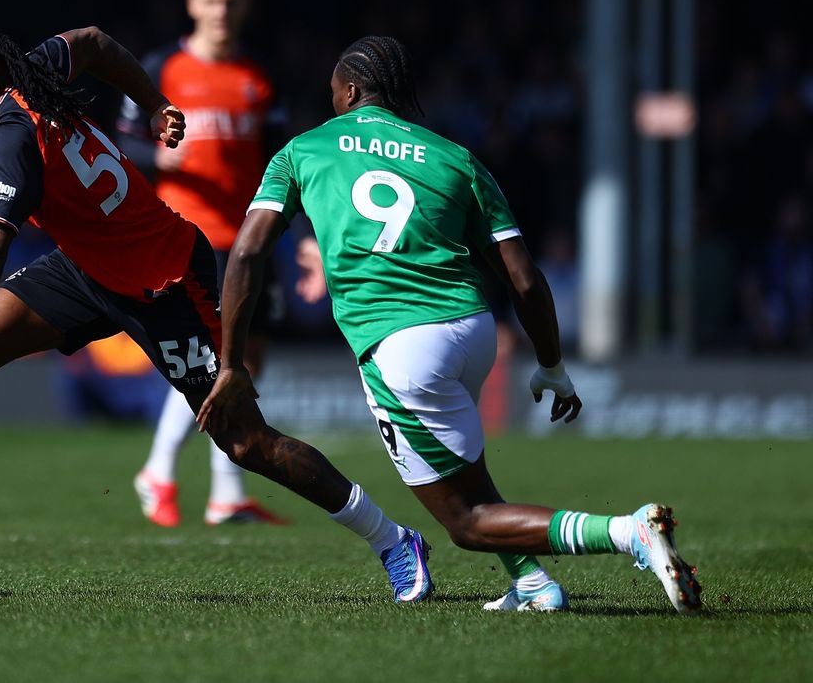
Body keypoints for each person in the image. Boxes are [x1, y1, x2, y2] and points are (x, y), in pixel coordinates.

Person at [0, 22, 433, 603]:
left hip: (165, 280)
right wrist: (155, 103)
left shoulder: (10, 139)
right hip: (89, 267)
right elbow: (91, 41)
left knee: (246, 444)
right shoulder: (31, 74)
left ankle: (393, 541)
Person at [199, 36, 703, 614]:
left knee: (465, 521)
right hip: (471, 329)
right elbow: (525, 280)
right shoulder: (455, 157)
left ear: (353, 91)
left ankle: (627, 533)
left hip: (400, 346)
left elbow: (245, 255)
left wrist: (233, 363)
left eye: (334, 92)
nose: (331, 100)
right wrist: (552, 364)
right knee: (467, 477)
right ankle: (533, 585)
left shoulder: (303, 151)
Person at [116, 0, 320, 526]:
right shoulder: (160, 69)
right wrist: (158, 158)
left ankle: (226, 492)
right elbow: (118, 145)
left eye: (230, 1)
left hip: (251, 239)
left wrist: (302, 236)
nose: (220, 11)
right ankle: (159, 470)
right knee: (212, 362)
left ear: (244, 6)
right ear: (191, 4)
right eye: (210, 0)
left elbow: (285, 163)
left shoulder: (257, 78)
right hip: (188, 239)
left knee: (247, 360)